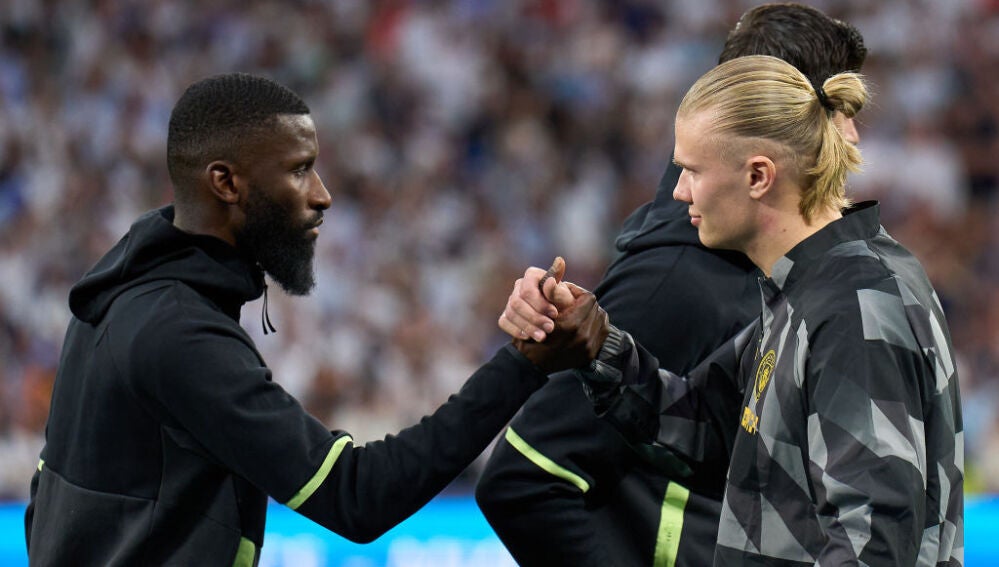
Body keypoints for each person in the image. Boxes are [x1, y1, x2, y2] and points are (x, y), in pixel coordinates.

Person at [22, 72, 609, 566]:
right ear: (226, 182)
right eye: (300, 169)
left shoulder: (116, 294)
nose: (323, 194)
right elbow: (358, 496)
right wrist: (523, 363)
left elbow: (44, 501)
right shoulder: (176, 331)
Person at [504, 55, 964, 565]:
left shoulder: (855, 304)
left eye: (691, 170)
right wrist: (594, 345)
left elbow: (871, 546)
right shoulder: (810, 286)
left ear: (758, 176)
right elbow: (707, 427)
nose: (678, 192)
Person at [476, 4, 868, 566]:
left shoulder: (766, 269)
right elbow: (522, 479)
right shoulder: (682, 282)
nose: (852, 134)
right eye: (837, 109)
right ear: (781, 116)